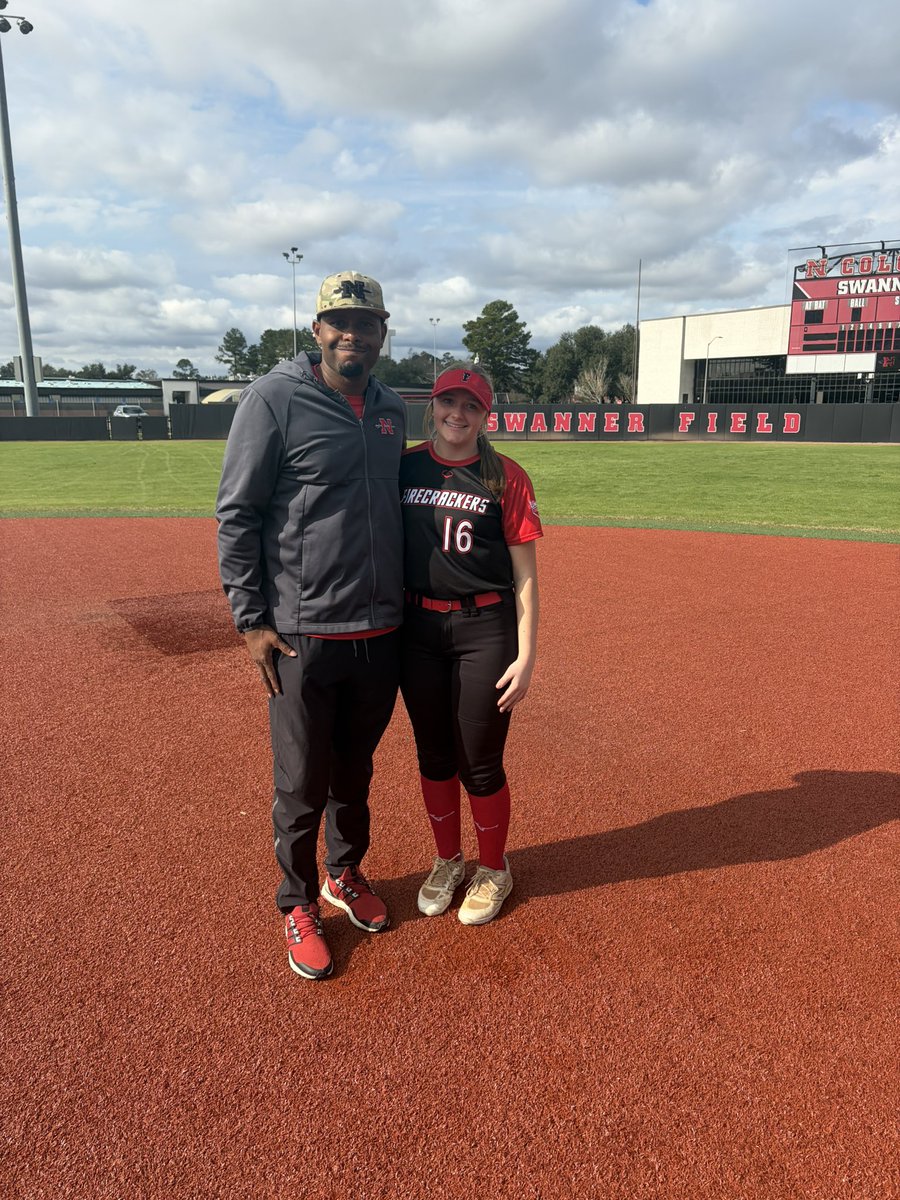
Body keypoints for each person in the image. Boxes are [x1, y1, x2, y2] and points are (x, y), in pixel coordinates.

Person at [216, 271, 406, 981]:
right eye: (340, 323)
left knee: (354, 772)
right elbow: (238, 512)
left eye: (367, 323)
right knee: (301, 780)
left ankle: (343, 873)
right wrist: (250, 621)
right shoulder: (274, 399)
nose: (353, 335)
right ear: (319, 330)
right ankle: (296, 902)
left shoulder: (390, 409)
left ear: (383, 332)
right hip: (303, 631)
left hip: (379, 630)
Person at [399, 365, 542, 925]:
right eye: (448, 402)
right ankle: (446, 860)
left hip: (485, 629)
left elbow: (525, 575)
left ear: (487, 415)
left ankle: (493, 868)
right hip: (418, 629)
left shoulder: (503, 475)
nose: (457, 415)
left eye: (471, 406)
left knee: (479, 761)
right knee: (433, 755)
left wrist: (527, 655)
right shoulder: (405, 464)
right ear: (432, 406)